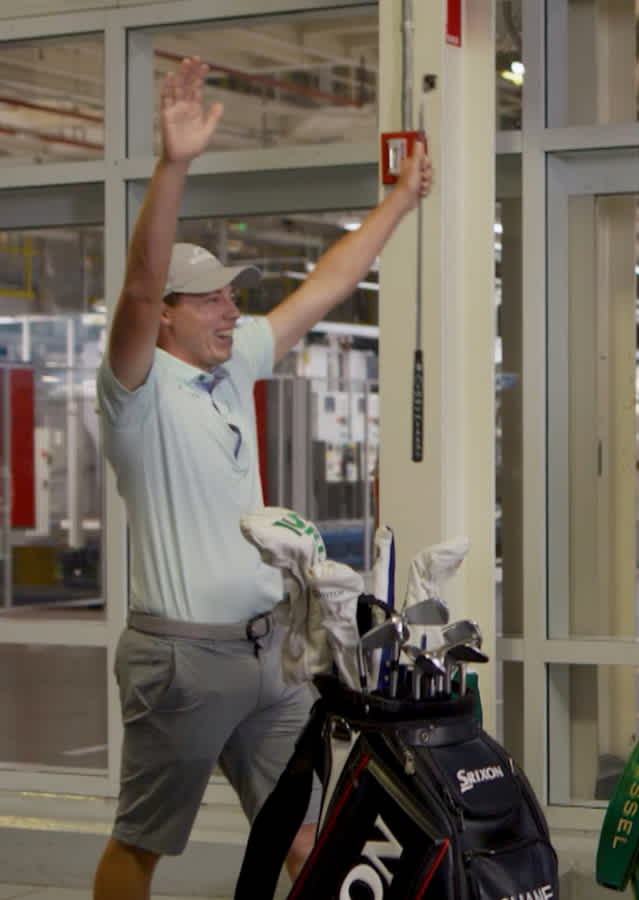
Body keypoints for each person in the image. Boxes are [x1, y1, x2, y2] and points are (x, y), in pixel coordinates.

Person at [93, 57, 432, 900]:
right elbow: (136, 287)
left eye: (232, 296)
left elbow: (328, 283)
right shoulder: (137, 390)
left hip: (269, 651)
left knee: (311, 831)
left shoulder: (234, 363)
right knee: (142, 842)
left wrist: (399, 201)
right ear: (167, 315)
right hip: (182, 659)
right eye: (209, 299)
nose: (231, 309)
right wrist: (173, 165)